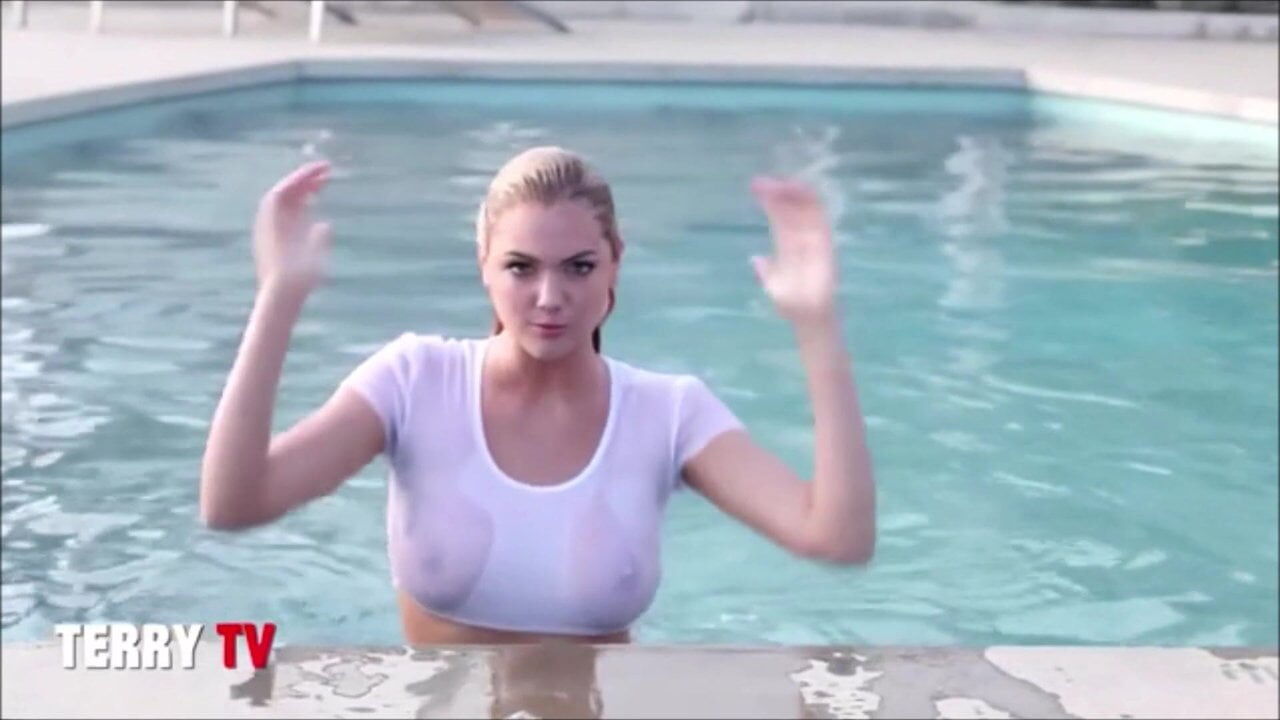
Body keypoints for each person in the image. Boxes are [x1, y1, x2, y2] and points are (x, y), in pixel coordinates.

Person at [199, 146, 876, 646]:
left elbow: (837, 536)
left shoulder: (667, 413)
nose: (550, 298)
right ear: (484, 266)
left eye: (579, 267)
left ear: (615, 263)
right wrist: (279, 297)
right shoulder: (414, 381)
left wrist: (817, 324)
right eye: (521, 268)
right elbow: (233, 504)